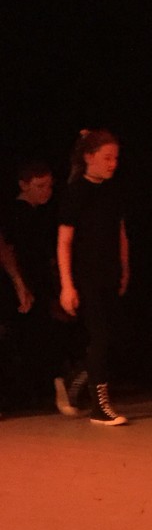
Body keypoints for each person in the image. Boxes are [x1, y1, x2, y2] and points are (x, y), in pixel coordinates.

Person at [58, 129, 131, 426]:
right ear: (89, 157)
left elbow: (120, 232)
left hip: (109, 274)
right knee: (100, 337)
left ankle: (75, 382)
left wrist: (124, 268)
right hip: (85, 277)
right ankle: (100, 407)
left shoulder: (113, 191)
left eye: (116, 158)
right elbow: (64, 241)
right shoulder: (75, 192)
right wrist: (67, 285)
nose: (113, 164)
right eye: (107, 158)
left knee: (112, 337)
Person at [1, 161, 86, 415]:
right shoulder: (15, 214)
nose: (46, 191)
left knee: (45, 337)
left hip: (39, 283)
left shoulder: (40, 214)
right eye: (40, 186)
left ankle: (48, 390)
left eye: (49, 186)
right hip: (22, 284)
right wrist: (20, 284)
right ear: (23, 185)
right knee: (29, 337)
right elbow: (10, 251)